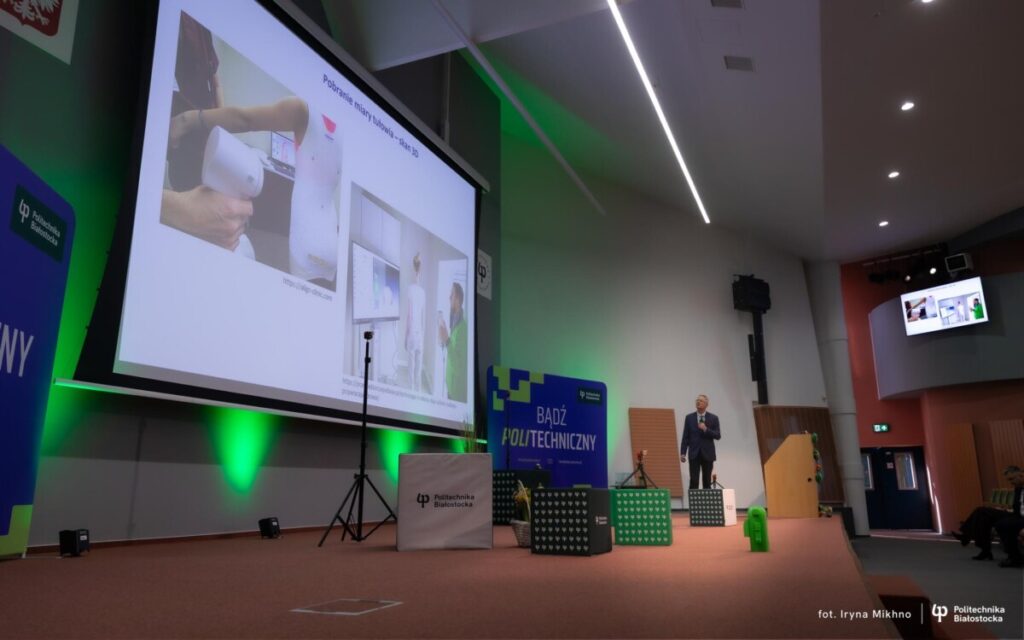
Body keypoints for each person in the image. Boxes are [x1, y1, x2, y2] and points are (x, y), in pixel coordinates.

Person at [166, 97, 342, 285]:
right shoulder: (346, 134)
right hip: (331, 235)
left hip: (307, 237)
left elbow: (244, 119)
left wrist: (189, 119)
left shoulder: (304, 110)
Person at [951, 465, 1024, 563]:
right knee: (981, 512)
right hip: (1016, 514)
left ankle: (968, 538)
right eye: (1009, 480)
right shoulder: (1018, 488)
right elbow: (1018, 506)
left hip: (1020, 516)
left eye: (1012, 479)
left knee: (995, 521)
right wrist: (1007, 510)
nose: (1011, 482)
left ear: (1021, 475)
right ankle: (983, 549)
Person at [680, 394, 721, 489]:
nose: (698, 402)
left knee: (707, 481)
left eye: (701, 401)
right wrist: (683, 453)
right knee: (694, 481)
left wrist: (706, 429)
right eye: (697, 400)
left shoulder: (713, 418)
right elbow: (685, 437)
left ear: (706, 404)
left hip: (708, 454)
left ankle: (706, 499)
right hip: (694, 453)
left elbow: (718, 435)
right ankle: (694, 499)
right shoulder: (689, 418)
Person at [438, 281, 467, 403]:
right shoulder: (455, 323)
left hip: (456, 395)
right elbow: (453, 350)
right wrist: (443, 339)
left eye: (452, 294)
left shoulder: (463, 328)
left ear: (458, 299)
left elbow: (459, 367)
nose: (449, 297)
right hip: (450, 389)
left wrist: (447, 340)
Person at [405, 253, 426, 392]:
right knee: (418, 364)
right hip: (419, 333)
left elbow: (409, 315)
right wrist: (422, 334)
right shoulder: (422, 292)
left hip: (412, 331)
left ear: (413, 267)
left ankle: (411, 389)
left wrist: (405, 336)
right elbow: (423, 316)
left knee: (411, 363)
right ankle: (417, 390)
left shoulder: (410, 289)